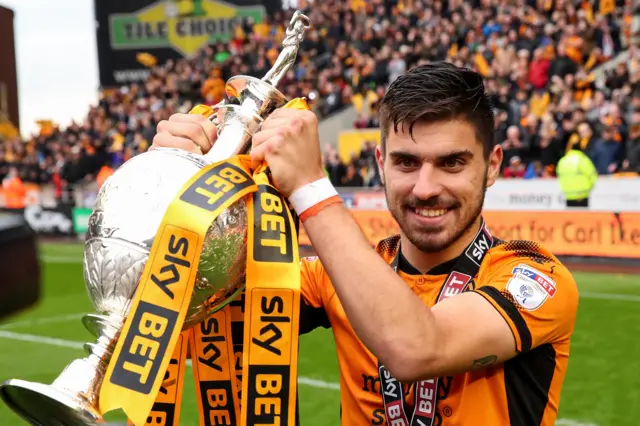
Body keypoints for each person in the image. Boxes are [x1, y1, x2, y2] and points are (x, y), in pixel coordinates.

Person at [152, 63, 579, 426]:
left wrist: (309, 187)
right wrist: (176, 187)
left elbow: (418, 349)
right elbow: (181, 310)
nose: (426, 188)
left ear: (492, 167)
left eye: (452, 162)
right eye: (406, 162)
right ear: (381, 165)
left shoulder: (535, 276)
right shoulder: (333, 277)